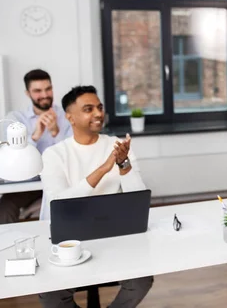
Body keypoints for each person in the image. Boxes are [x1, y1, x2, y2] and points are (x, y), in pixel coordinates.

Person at [39, 86, 153, 308]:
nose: (99, 113)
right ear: (70, 117)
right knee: (50, 294)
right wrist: (103, 169)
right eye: (88, 109)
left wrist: (123, 165)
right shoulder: (54, 155)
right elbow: (60, 203)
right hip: (71, 243)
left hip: (114, 240)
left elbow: (138, 197)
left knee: (141, 280)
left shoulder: (118, 146)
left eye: (99, 108)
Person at [0, 69, 72, 224]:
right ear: (27, 93)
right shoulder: (15, 119)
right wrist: (34, 136)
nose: (44, 95)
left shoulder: (67, 116)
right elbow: (11, 158)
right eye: (37, 91)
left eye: (48, 89)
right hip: (29, 184)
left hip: (62, 181)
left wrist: (55, 132)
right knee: (7, 205)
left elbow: (72, 154)